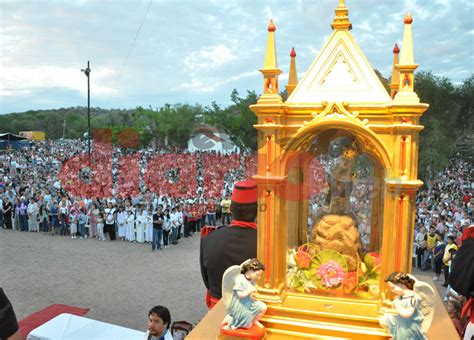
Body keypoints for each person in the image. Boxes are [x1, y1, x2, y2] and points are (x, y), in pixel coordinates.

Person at [200, 179, 258, 309]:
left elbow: (207, 282)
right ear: (258, 210)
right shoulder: (264, 242)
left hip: (217, 311)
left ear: (230, 209)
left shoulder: (209, 238)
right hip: (252, 312)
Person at [379, 272, 427, 340]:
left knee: (405, 336)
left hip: (409, 325)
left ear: (401, 284)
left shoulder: (413, 298)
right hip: (401, 322)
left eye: (393, 288)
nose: (392, 291)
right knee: (384, 319)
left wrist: (398, 307)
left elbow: (408, 314)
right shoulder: (401, 296)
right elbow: (396, 304)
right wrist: (389, 303)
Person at [223, 258, 267, 330]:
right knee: (247, 326)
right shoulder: (240, 279)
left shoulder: (251, 280)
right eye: (257, 275)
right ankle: (231, 321)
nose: (259, 277)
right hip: (239, 305)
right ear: (250, 271)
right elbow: (240, 295)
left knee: (263, 307)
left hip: (248, 303)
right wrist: (249, 290)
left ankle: (254, 321)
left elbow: (253, 288)